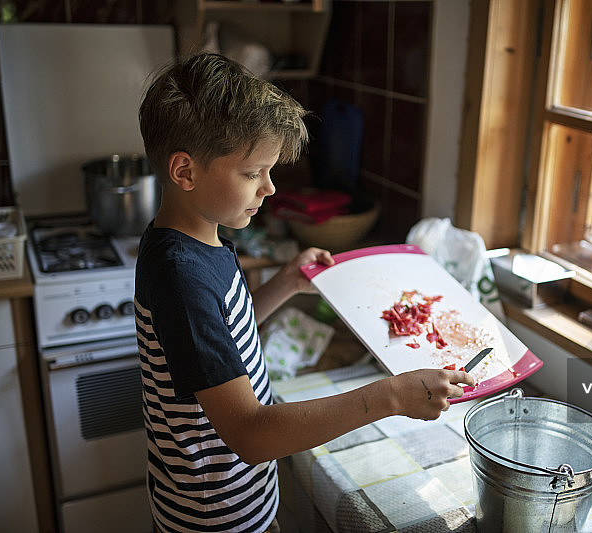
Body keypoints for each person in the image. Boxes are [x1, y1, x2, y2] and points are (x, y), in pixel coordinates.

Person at [135, 52, 475, 533]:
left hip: (240, 498)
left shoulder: (199, 238)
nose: (270, 188)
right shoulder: (179, 276)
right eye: (253, 174)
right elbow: (250, 434)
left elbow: (219, 339)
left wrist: (285, 284)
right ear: (185, 172)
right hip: (215, 519)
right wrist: (390, 396)